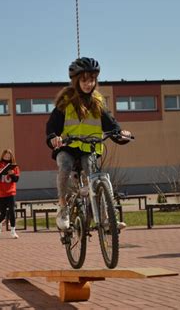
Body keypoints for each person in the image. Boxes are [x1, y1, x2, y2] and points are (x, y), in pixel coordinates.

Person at [46, 57, 132, 230]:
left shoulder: (97, 101)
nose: (88, 84)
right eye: (84, 80)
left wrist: (120, 133)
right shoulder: (66, 100)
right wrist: (53, 137)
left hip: (89, 148)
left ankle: (106, 219)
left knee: (95, 177)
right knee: (65, 166)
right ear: (76, 81)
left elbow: (110, 123)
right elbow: (52, 125)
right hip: (67, 147)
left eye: (92, 80)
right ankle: (63, 207)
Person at [0, 149, 20, 239]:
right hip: (1, 193)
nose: (7, 157)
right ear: (2, 156)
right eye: (5, 155)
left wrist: (12, 174)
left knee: (12, 211)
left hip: (11, 192)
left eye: (9, 156)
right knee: (3, 213)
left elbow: (16, 180)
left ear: (11, 157)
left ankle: (13, 231)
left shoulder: (14, 167)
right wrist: (0, 174)